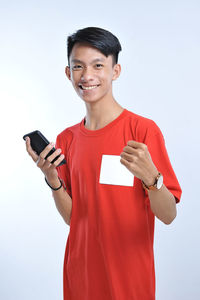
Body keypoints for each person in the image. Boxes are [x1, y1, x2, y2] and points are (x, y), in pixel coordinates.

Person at [25, 27, 182, 300]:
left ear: (115, 71)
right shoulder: (67, 139)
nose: (87, 76)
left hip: (129, 279)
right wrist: (53, 180)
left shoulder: (142, 131)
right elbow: (73, 219)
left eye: (98, 65)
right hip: (81, 275)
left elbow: (168, 215)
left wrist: (151, 179)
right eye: (78, 66)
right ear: (68, 73)